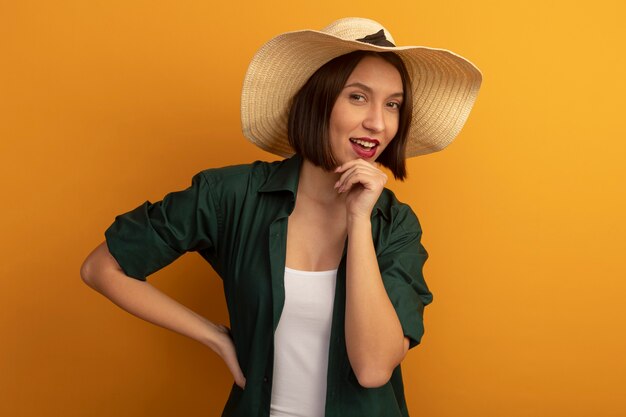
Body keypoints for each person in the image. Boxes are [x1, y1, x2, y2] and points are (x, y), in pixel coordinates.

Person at [81, 17, 482, 417]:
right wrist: (216, 337)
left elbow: (374, 369)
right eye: (357, 97)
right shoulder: (230, 196)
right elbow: (102, 268)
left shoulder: (395, 224)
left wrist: (359, 220)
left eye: (393, 104)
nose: (378, 122)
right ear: (316, 101)